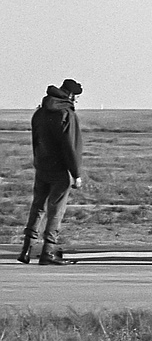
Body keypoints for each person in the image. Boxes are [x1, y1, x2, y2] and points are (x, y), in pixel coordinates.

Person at [21, 79, 84, 265]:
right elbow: (71, 146)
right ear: (71, 96)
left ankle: (26, 250)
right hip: (59, 170)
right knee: (56, 209)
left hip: (41, 166)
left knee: (38, 207)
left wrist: (38, 162)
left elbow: (35, 140)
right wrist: (76, 173)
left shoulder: (40, 112)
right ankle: (48, 251)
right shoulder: (66, 114)